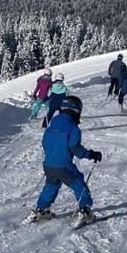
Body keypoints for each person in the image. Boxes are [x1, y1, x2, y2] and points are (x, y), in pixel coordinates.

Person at [27, 96, 103, 225]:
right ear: (76, 111)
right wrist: (92, 154)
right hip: (64, 166)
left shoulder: (51, 125)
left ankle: (41, 209)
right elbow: (75, 149)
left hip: (49, 164)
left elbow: (45, 143)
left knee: (51, 185)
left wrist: (53, 156)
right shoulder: (73, 128)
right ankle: (85, 211)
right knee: (78, 183)